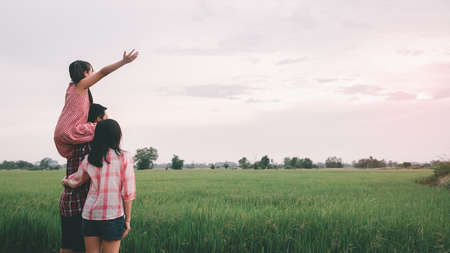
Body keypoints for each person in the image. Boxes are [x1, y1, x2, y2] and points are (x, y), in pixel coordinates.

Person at [55, 49, 137, 253]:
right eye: (89, 71)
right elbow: (102, 73)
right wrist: (123, 62)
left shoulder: (74, 91)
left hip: (87, 213)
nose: (92, 75)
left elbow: (78, 175)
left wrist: (67, 182)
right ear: (84, 73)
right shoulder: (80, 87)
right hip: (104, 215)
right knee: (103, 129)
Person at [63, 119, 136, 253]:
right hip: (112, 215)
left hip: (90, 214)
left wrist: (66, 181)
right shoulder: (124, 157)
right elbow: (128, 192)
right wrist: (128, 220)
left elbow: (76, 181)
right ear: (117, 135)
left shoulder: (90, 158)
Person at [59, 103, 108, 253]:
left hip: (68, 201)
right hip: (84, 203)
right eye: (106, 118)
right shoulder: (93, 143)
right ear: (98, 120)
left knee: (67, 245)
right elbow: (89, 172)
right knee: (86, 248)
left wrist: (67, 181)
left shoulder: (75, 139)